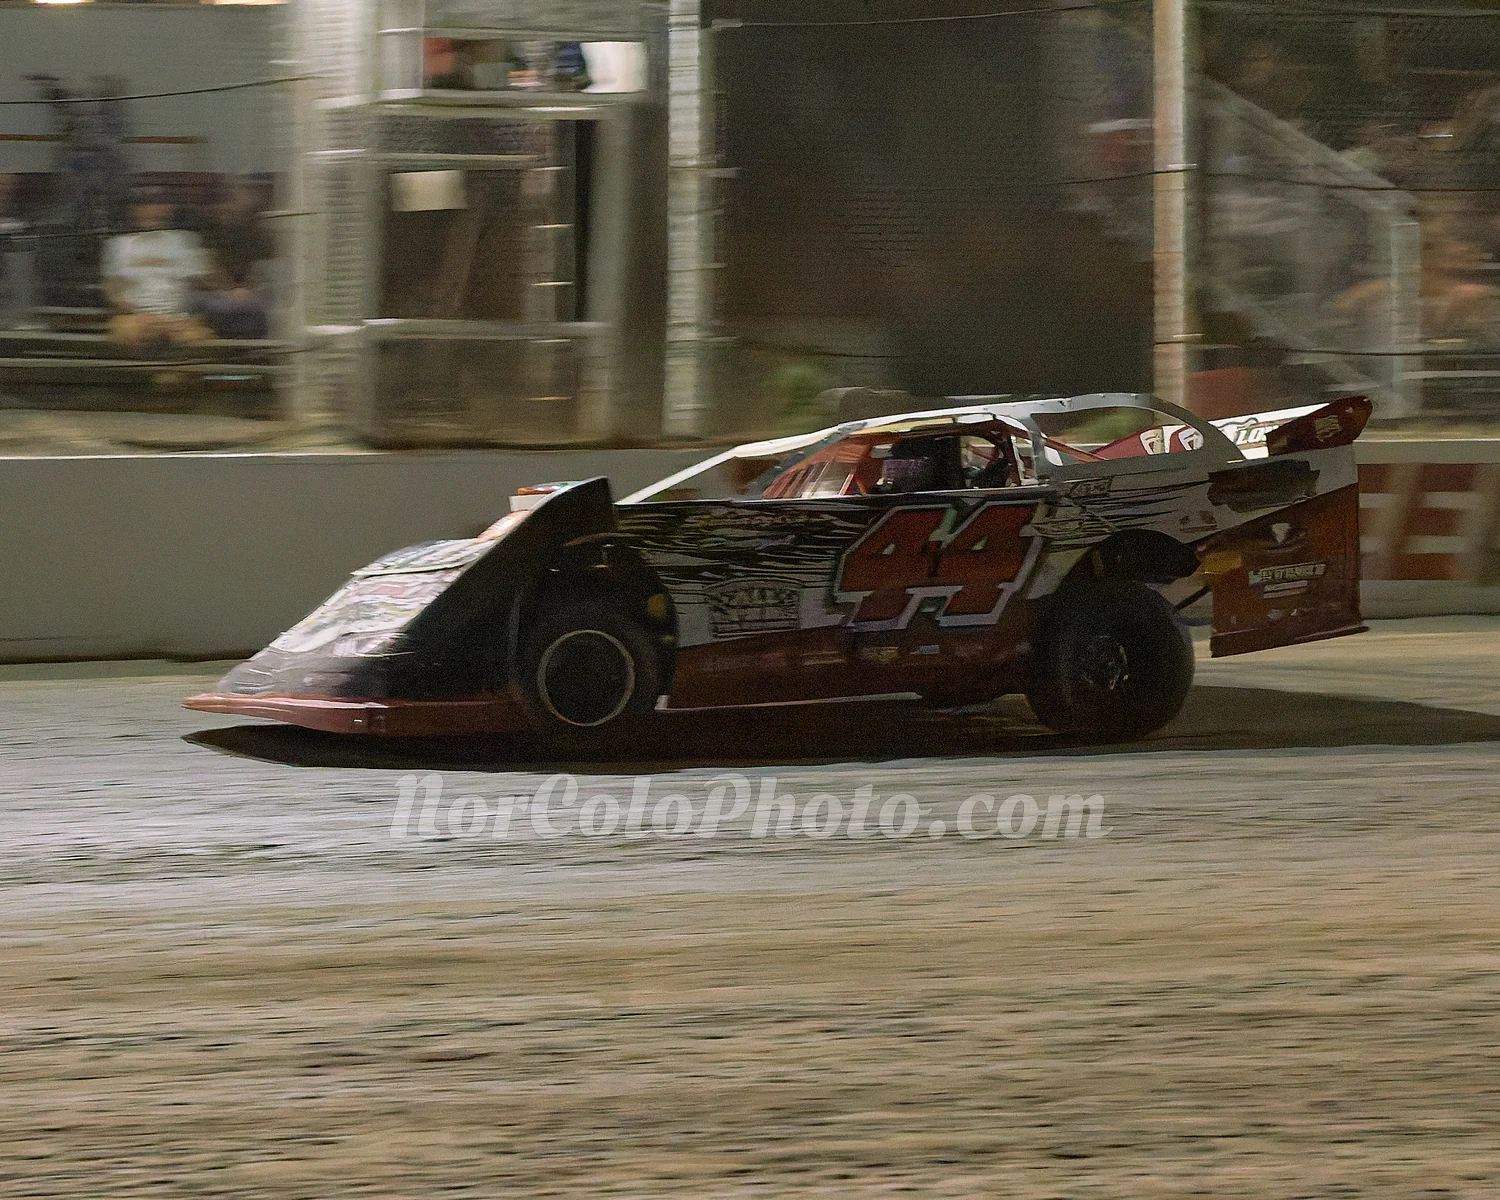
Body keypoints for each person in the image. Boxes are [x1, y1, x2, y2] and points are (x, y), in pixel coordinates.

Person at [102, 185, 212, 349]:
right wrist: (141, 317)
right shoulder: (118, 245)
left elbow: (200, 287)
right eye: (143, 205)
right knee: (125, 332)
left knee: (198, 338)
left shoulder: (184, 241)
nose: (150, 209)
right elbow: (113, 291)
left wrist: (174, 321)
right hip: (136, 320)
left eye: (156, 204)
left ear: (167, 208)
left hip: (178, 320)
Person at [192, 178, 274, 340]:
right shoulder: (209, 232)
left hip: (253, 292)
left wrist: (247, 289)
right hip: (217, 293)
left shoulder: (258, 233)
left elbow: (263, 266)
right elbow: (207, 267)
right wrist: (228, 292)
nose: (224, 210)